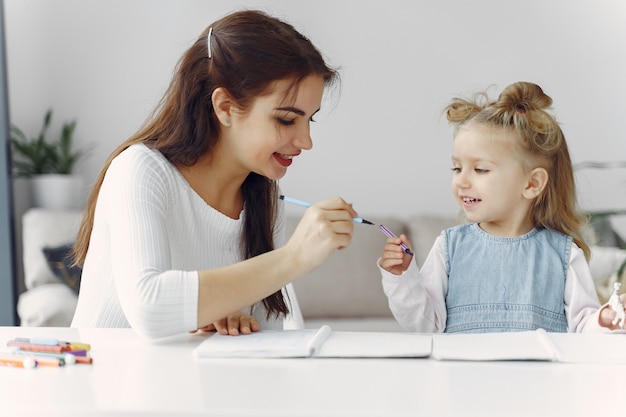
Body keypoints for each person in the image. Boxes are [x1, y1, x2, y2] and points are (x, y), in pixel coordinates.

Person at [70, 10, 360, 340]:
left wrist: (231, 322)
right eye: (286, 119)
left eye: (311, 120)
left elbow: (269, 336)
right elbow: (149, 305)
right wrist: (294, 257)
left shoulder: (263, 195)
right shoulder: (140, 170)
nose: (306, 141)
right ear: (224, 107)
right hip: (99, 383)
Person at [379, 81, 625, 333]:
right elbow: (426, 324)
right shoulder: (449, 247)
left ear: (531, 183)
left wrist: (605, 319)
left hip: (538, 374)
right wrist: (402, 278)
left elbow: (583, 326)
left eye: (480, 169)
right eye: (457, 168)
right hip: (462, 372)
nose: (461, 180)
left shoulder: (563, 254)